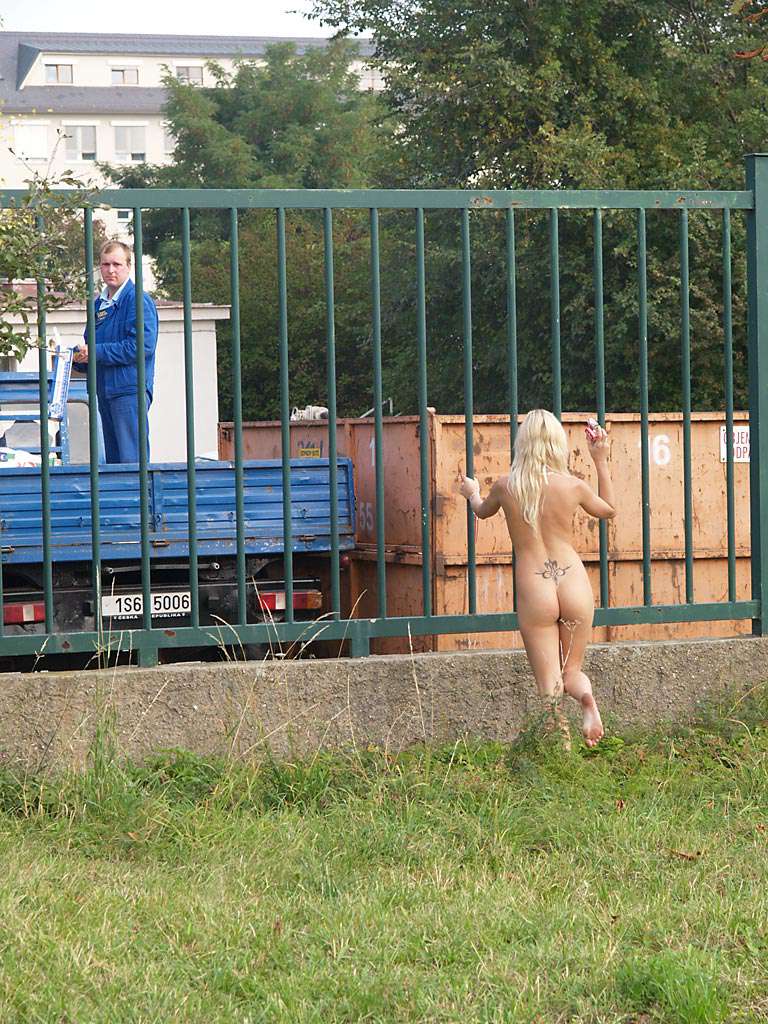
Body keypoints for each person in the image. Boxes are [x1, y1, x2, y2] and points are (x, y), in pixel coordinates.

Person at [460, 409, 616, 748]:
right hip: (573, 580)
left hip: (536, 587)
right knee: (572, 671)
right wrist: (600, 459)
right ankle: (586, 699)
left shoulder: (506, 486)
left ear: (523, 443)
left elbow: (481, 510)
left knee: (550, 687)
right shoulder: (573, 485)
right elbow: (608, 509)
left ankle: (562, 751)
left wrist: (471, 491)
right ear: (557, 444)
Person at [73, 240, 159, 463]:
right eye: (105, 264)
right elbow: (92, 346)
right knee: (113, 463)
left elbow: (141, 346)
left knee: (132, 461)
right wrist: (76, 358)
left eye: (117, 264)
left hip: (128, 391)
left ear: (128, 266)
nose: (111, 270)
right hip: (104, 390)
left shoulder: (138, 300)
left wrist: (95, 352)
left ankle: (137, 489)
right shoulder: (98, 304)